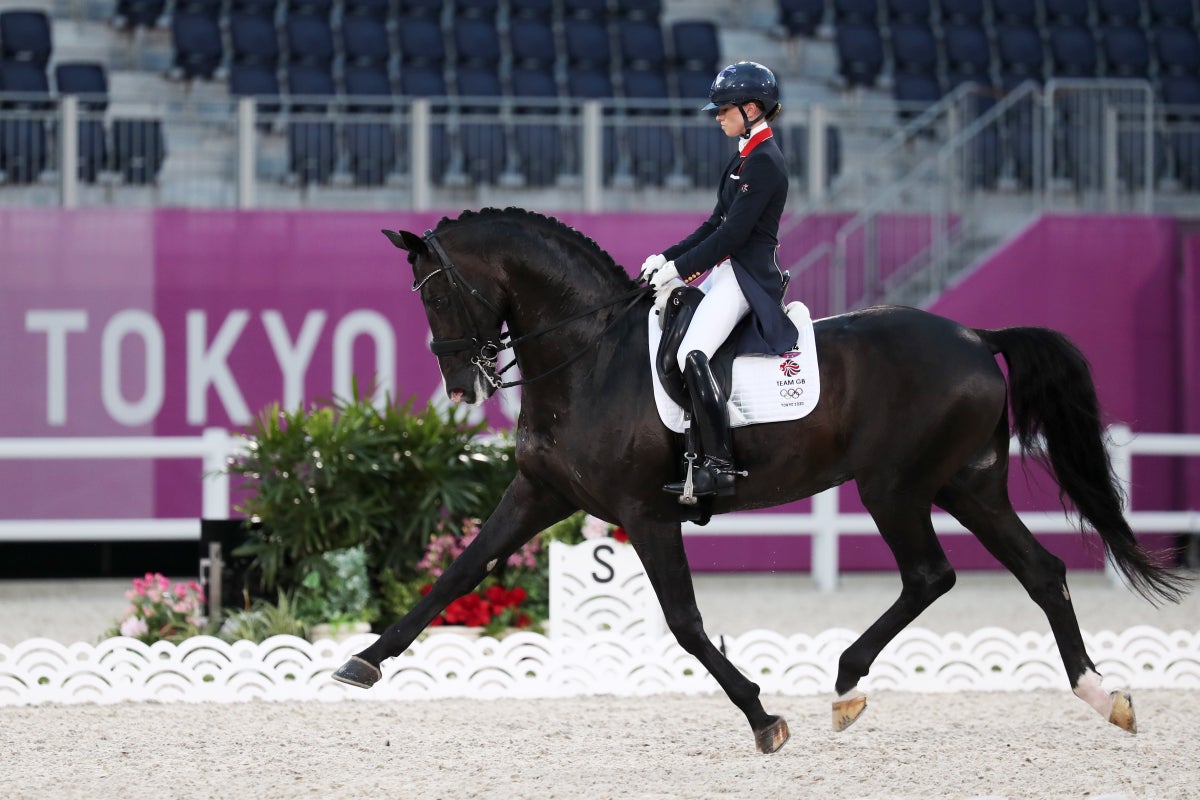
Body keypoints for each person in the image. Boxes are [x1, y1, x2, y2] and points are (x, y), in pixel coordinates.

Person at [639, 61, 798, 502]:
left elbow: (732, 237)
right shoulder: (744, 154)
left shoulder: (765, 162)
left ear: (751, 108)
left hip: (748, 278)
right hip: (729, 271)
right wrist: (666, 257)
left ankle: (719, 466)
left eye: (724, 109)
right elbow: (713, 223)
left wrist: (679, 270)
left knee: (693, 353)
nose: (717, 116)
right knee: (671, 335)